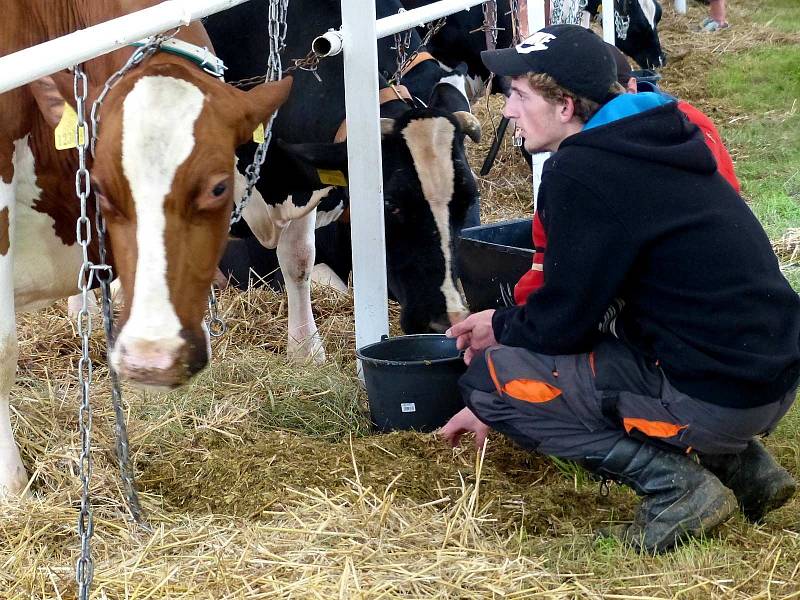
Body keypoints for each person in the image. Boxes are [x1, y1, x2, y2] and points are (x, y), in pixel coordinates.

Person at [438, 24, 800, 553]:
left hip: (716, 394)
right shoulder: (661, 133)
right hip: (767, 375)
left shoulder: (582, 171)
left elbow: (562, 323)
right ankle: (747, 471)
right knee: (621, 330)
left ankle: (678, 490)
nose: (508, 111)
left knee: (492, 381)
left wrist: (500, 326)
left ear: (564, 105)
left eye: (518, 95)